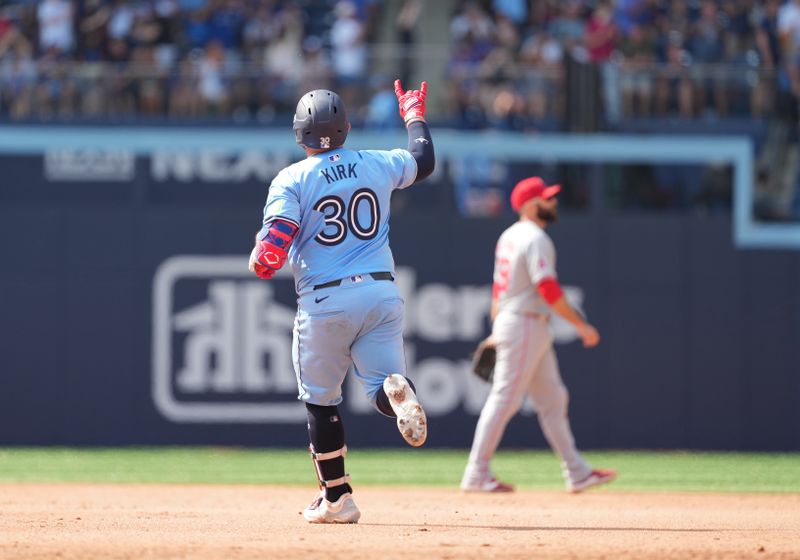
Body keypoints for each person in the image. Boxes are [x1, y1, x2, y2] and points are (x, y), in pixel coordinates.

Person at [248, 81, 435, 523]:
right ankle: (398, 394)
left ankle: (337, 499)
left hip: (326, 299)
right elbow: (423, 161)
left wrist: (264, 255)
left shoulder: (291, 177)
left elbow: (277, 239)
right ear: (347, 128)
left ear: (300, 135)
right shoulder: (376, 162)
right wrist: (414, 116)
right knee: (379, 387)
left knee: (321, 401)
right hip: (379, 291)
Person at [461, 177, 616, 494]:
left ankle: (577, 471)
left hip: (521, 322)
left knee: (553, 399)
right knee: (505, 398)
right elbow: (546, 287)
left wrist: (496, 326)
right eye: (547, 198)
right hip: (524, 323)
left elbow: (498, 288)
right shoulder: (534, 237)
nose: (553, 203)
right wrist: (581, 324)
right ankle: (476, 473)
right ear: (532, 205)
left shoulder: (509, 236)